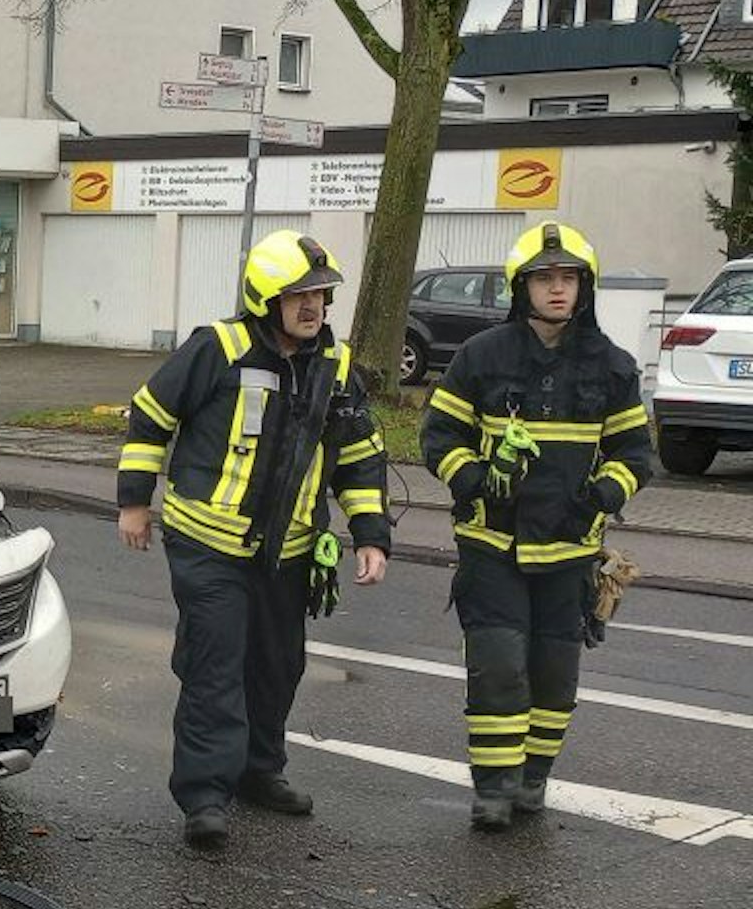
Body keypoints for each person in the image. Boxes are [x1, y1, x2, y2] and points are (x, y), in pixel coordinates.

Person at [117, 230, 392, 847]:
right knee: (216, 665)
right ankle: (205, 796)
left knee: (277, 666)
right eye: (298, 295)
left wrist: (370, 534)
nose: (313, 306)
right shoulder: (217, 348)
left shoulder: (334, 365)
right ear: (265, 298)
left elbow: (357, 455)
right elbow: (150, 415)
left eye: (321, 294)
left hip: (288, 551)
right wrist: (134, 501)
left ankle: (259, 773)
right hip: (207, 546)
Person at [420, 222, 652, 831]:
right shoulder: (480, 356)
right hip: (492, 546)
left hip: (570, 551)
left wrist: (603, 494)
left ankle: (532, 783)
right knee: (497, 668)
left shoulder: (613, 366)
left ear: (584, 287)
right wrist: (470, 478)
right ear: (522, 288)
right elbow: (439, 435)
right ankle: (492, 790)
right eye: (545, 278)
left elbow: (636, 454)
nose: (557, 289)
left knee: (554, 678)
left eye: (568, 278)